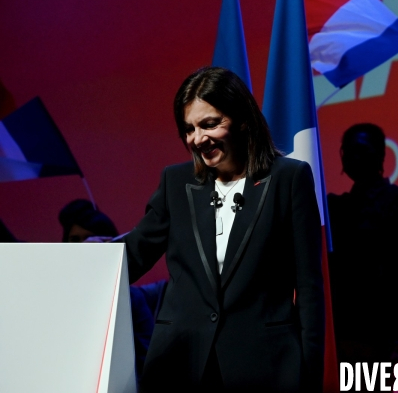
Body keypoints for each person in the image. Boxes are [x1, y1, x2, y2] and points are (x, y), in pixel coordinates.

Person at [123, 67, 324, 392]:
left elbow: (310, 289)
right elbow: (131, 257)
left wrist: (311, 377)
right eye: (189, 129)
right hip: (180, 365)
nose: (197, 139)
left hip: (264, 368)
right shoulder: (176, 183)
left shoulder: (289, 178)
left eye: (209, 124)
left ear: (242, 118)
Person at [327, 123, 398, 370]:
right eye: (347, 151)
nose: (354, 157)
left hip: (381, 343)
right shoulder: (335, 209)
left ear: (380, 154)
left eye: (361, 149)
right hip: (338, 343)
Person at [58, 199, 155, 379]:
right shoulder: (56, 296)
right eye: (74, 240)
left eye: (89, 239)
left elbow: (148, 362)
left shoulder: (130, 298)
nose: (82, 246)